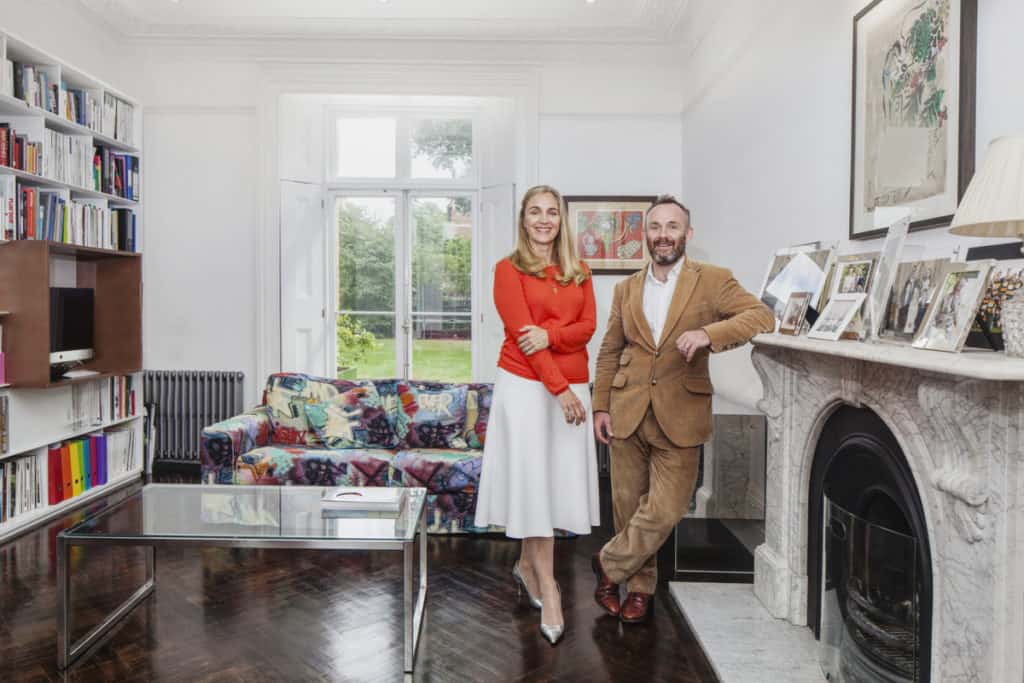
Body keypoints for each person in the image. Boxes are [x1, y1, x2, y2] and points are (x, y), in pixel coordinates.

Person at [590, 195, 775, 623]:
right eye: (655, 227)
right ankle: (638, 588)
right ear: (645, 235)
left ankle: (606, 565)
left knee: (666, 509)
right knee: (628, 506)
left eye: (672, 227)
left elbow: (761, 316)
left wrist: (709, 333)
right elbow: (609, 350)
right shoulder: (626, 288)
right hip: (626, 408)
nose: (663, 235)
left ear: (687, 234)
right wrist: (601, 405)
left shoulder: (712, 280)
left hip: (682, 411)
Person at [474, 184, 600, 645]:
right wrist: (560, 387)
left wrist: (550, 336)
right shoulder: (507, 270)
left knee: (548, 485)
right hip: (527, 388)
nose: (544, 219)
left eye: (552, 212)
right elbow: (522, 339)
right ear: (523, 219)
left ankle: (527, 565)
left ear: (561, 220)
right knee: (534, 484)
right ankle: (550, 587)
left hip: (572, 386)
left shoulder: (579, 270)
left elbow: (588, 329)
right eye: (535, 212)